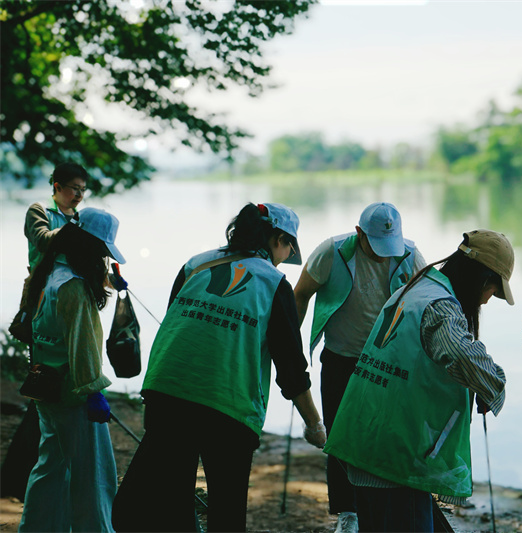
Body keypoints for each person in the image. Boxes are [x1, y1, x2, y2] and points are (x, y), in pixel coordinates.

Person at [112, 202, 326, 533]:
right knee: (226, 510)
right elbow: (291, 369)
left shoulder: (196, 264)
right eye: (288, 248)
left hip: (167, 392)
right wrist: (314, 424)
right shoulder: (273, 282)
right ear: (277, 239)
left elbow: (175, 318)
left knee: (168, 496)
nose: (285, 257)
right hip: (227, 407)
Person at [324, 229, 513, 533]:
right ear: (481, 277)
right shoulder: (440, 305)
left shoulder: (417, 287)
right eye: (493, 289)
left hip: (367, 445)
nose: (489, 300)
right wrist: (494, 388)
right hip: (392, 458)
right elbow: (461, 354)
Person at [293, 201, 426, 533]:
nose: (385, 255)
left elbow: (428, 304)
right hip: (341, 357)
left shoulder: (409, 255)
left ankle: (386, 503)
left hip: (389, 362)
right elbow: (300, 294)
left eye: (390, 246)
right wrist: (290, 345)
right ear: (359, 233)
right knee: (339, 437)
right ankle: (346, 511)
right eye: (377, 246)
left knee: (388, 434)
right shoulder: (332, 252)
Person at [18, 208, 126, 532]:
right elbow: (83, 349)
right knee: (93, 477)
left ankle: (35, 528)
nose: (104, 260)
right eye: (103, 252)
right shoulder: (75, 288)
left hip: (45, 388)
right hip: (74, 395)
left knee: (50, 467)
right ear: (90, 247)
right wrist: (94, 392)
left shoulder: (49, 273)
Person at [1, 162, 90, 501]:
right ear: (55, 186)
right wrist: (79, 231)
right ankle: (18, 478)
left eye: (82, 189)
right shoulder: (40, 211)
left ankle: (29, 476)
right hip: (40, 307)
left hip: (68, 305)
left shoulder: (76, 220)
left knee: (58, 388)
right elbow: (43, 241)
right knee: (43, 384)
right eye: (72, 188)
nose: (78, 195)